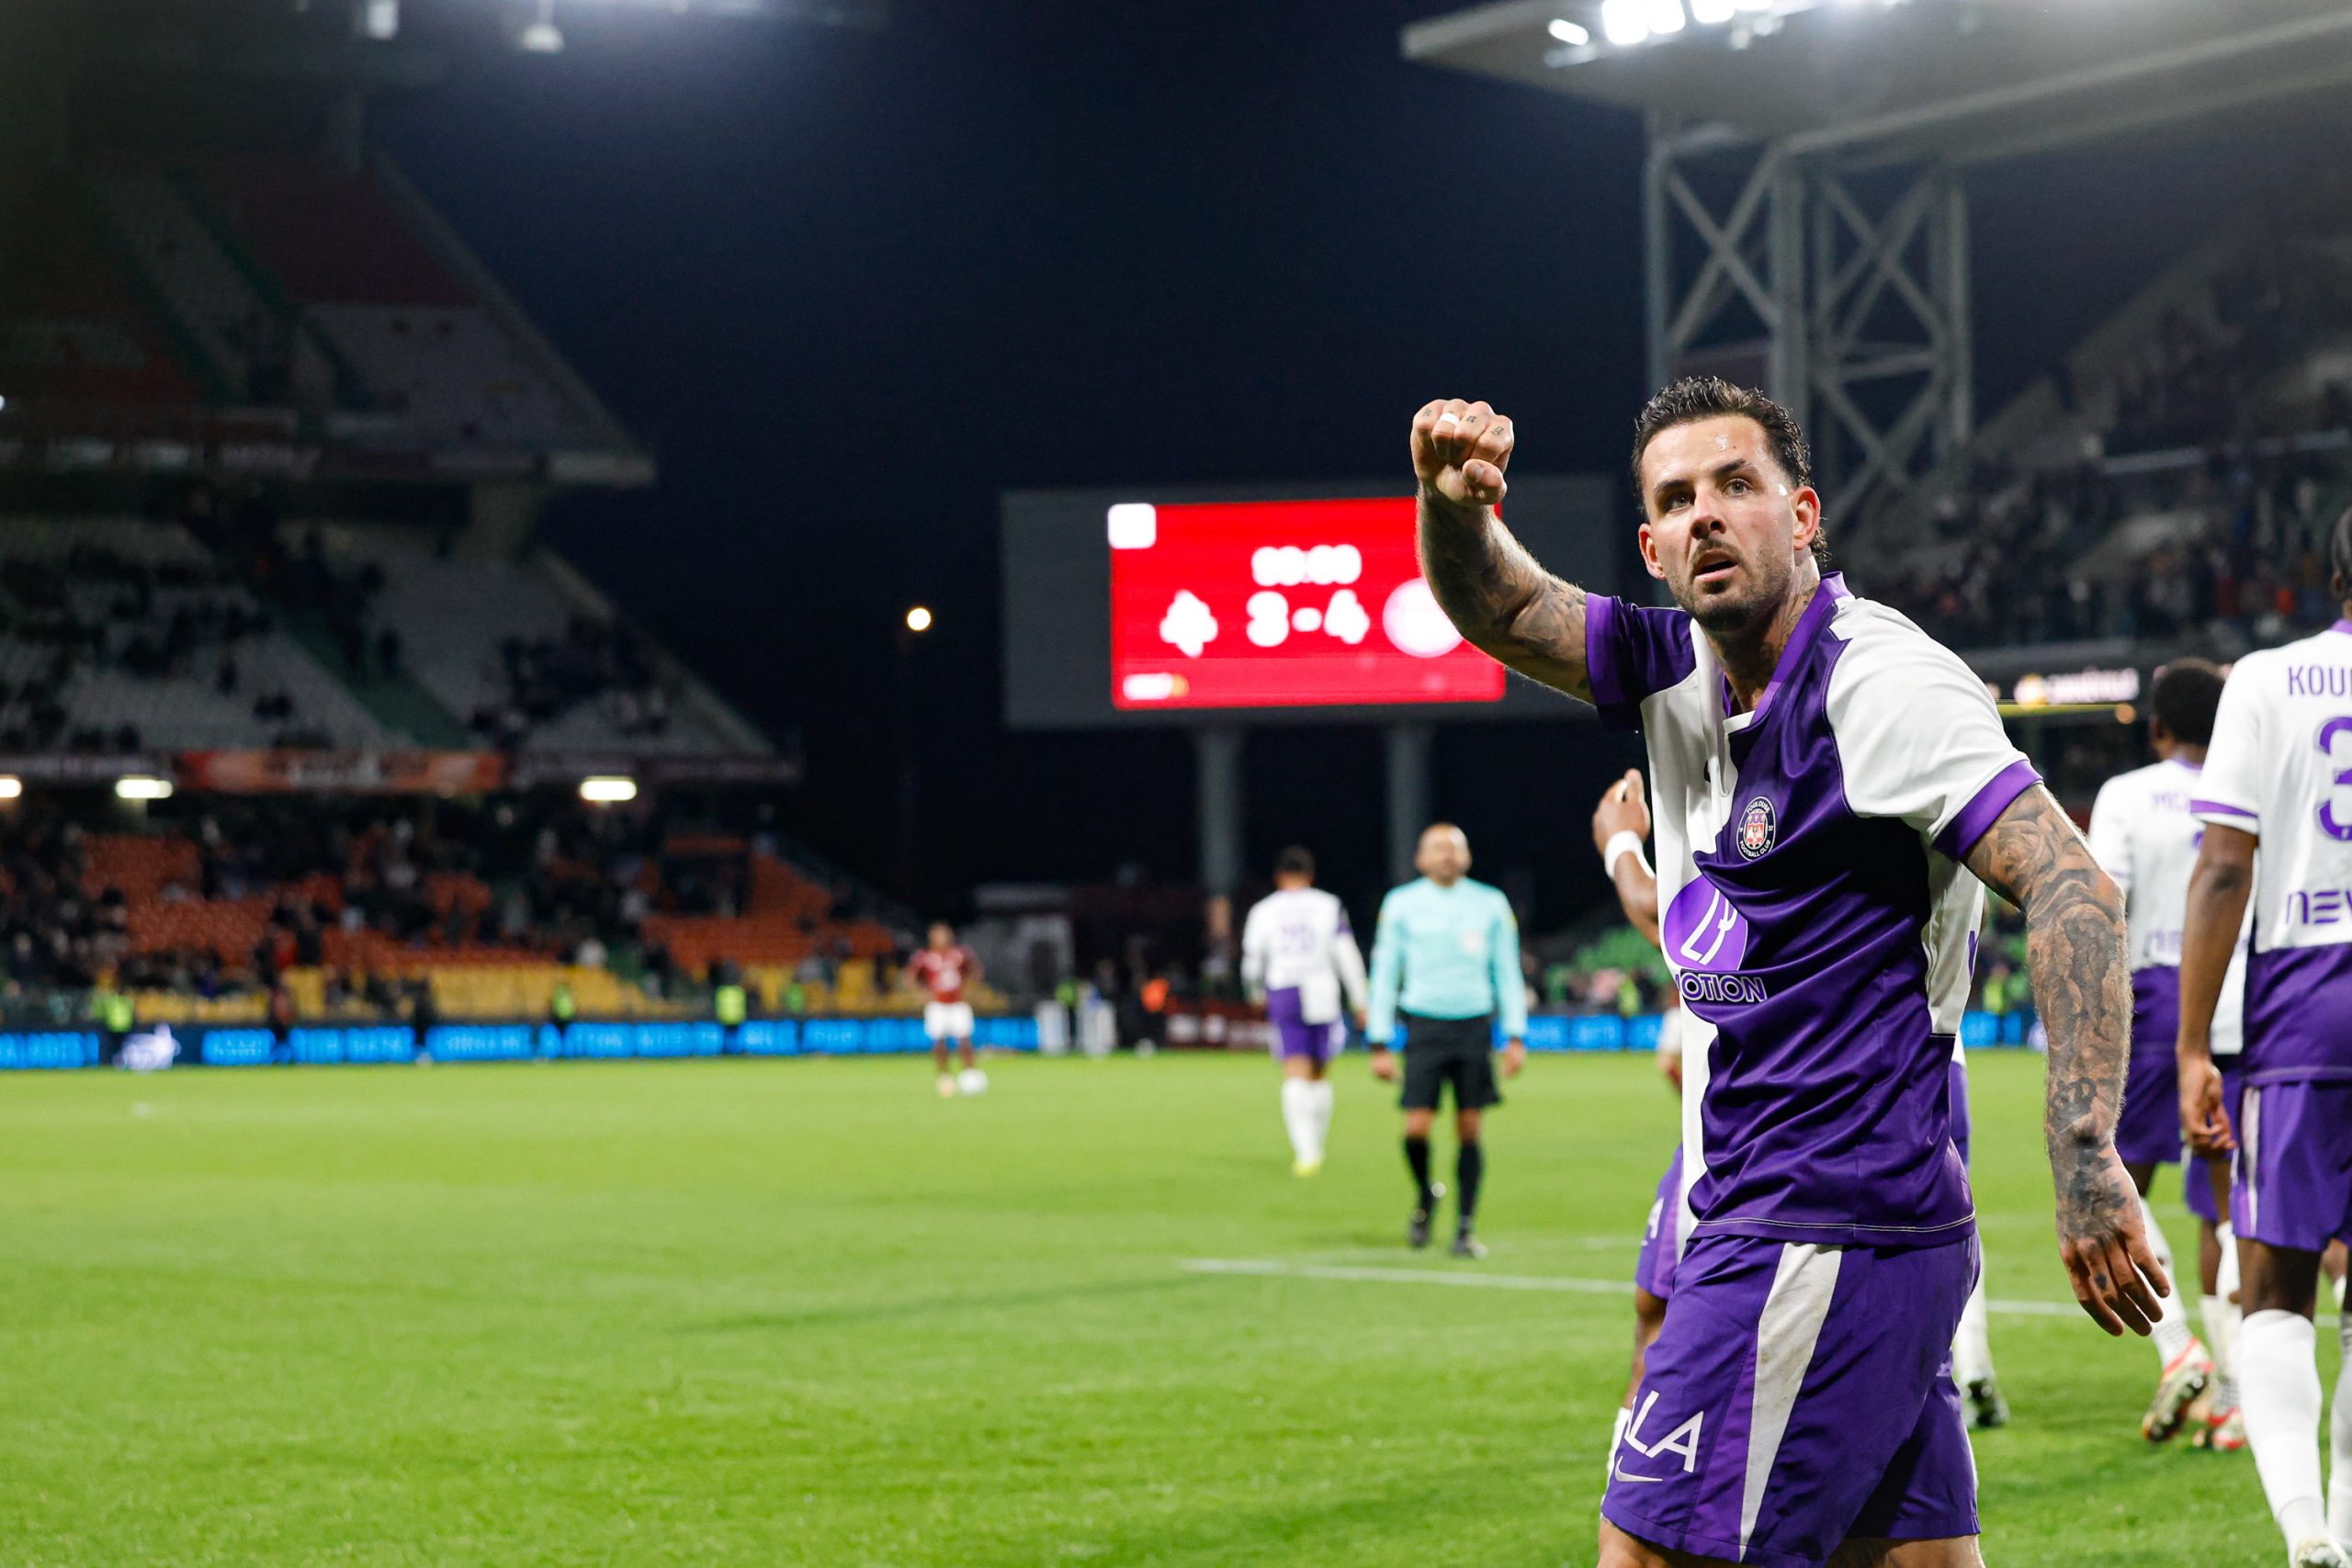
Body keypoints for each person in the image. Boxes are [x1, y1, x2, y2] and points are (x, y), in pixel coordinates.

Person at [1411, 379, 2158, 1568]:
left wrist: (2083, 1152)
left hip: (1823, 1214)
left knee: (1652, 1551)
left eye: (1736, 485)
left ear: (1803, 512)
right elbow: (1502, 606)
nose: (1707, 514)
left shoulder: (1882, 686)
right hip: (1816, 1209)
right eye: (1676, 499)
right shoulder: (1665, 666)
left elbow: (2073, 887)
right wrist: (1452, 504)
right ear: (1651, 546)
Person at [1599, 767, 2009, 1436]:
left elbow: (1678, 927)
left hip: (1781, 1115)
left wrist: (1620, 845)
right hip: (1924, 1080)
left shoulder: (1808, 854)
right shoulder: (1919, 829)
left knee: (1669, 1316)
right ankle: (1970, 1366)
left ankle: (1645, 1518)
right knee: (1902, 1327)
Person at [2177, 508, 2352, 1568]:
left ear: (2327, 577)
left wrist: (2195, 1045)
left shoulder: (2265, 680)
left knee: (2275, 1287)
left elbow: (2225, 866)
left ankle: (2306, 1534)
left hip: (2302, 1001)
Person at [2086, 659, 2246, 1448]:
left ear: (2156, 728)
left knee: (2116, 1178)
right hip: (2244, 999)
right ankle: (2235, 1397)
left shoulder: (2127, 795)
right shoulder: (2244, 789)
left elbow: (2102, 901)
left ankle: (2178, 1340)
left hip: (2156, 1003)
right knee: (2228, 1199)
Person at [1366, 822, 1526, 1259]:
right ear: (1420, 859)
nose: (1446, 856)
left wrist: (1515, 1034)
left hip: (1473, 1024)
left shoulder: (1490, 903)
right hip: (1423, 1024)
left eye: (1454, 848)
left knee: (1470, 1128)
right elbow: (1385, 971)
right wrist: (1379, 1040)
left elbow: (1506, 970)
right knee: (1415, 1128)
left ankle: (1465, 1225)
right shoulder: (1401, 904)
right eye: (1437, 848)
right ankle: (1426, 1193)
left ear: (1467, 856)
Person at [1590, 771, 1687, 1465]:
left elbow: (1658, 909)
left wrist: (1620, 839)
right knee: (1652, 1314)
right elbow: (1666, 918)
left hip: (1755, 1149)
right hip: (1717, 1141)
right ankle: (1629, 1490)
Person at [1239, 846, 1369, 1177]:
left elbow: (1252, 960)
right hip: (1321, 988)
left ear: (1279, 877)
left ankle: (1306, 1152)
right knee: (1319, 1072)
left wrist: (1254, 992)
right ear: (1310, 876)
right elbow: (1346, 953)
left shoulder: (1264, 910)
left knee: (1293, 1070)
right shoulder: (1328, 904)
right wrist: (1360, 999)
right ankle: (1317, 1145)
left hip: (1284, 989)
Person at [908, 922, 981, 1096]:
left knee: (964, 1040)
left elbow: (975, 971)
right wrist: (921, 993)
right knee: (939, 1041)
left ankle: (969, 1075)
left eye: (944, 934)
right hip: (937, 1005)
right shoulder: (925, 956)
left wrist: (969, 989)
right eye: (938, 935)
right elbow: (911, 976)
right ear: (931, 937)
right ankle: (945, 1077)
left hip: (958, 1004)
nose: (942, 938)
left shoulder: (960, 954)